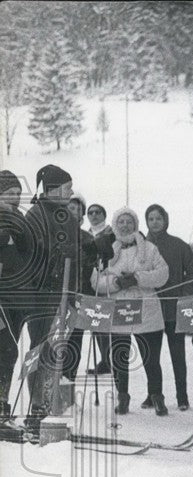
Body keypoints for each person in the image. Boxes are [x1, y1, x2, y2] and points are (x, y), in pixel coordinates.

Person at [91, 207, 169, 415]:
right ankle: (122, 396)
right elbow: (96, 281)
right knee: (119, 357)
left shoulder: (150, 249)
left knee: (151, 357)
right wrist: (116, 282)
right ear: (116, 225)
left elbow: (163, 274)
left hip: (147, 308)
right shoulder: (107, 251)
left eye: (129, 222)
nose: (125, 226)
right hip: (120, 309)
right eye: (121, 222)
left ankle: (157, 396)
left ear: (135, 225)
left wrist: (138, 278)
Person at [22, 164, 82, 432]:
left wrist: (74, 292)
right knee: (40, 348)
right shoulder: (35, 215)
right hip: (41, 295)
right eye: (67, 187)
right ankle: (36, 408)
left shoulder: (67, 216)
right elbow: (29, 256)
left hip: (64, 292)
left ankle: (48, 404)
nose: (71, 191)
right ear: (54, 189)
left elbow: (77, 257)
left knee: (57, 349)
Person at [144, 204, 193, 411]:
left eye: (159, 218)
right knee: (151, 356)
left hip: (173, 311)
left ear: (166, 220)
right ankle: (153, 395)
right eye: (151, 219)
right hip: (150, 311)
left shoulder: (179, 245)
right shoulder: (141, 246)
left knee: (178, 355)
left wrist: (184, 295)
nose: (155, 222)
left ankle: (182, 396)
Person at [64, 193, 113, 383]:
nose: (73, 212)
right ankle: (52, 387)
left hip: (81, 294)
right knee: (56, 342)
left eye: (77, 209)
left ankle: (69, 381)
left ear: (82, 217)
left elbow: (98, 265)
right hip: (58, 295)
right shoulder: (55, 234)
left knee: (74, 340)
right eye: (70, 208)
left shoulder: (86, 237)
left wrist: (101, 253)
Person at [0, 170, 32, 422]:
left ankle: (2, 405)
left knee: (10, 351)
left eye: (17, 193)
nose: (13, 197)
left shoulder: (21, 218)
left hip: (18, 296)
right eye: (8, 193)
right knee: (5, 349)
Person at [85, 202, 114, 375]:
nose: (94, 215)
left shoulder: (111, 233)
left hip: (106, 280)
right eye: (91, 213)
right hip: (89, 282)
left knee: (105, 322)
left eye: (98, 212)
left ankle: (107, 359)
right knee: (95, 323)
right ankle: (104, 360)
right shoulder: (85, 234)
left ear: (104, 215)